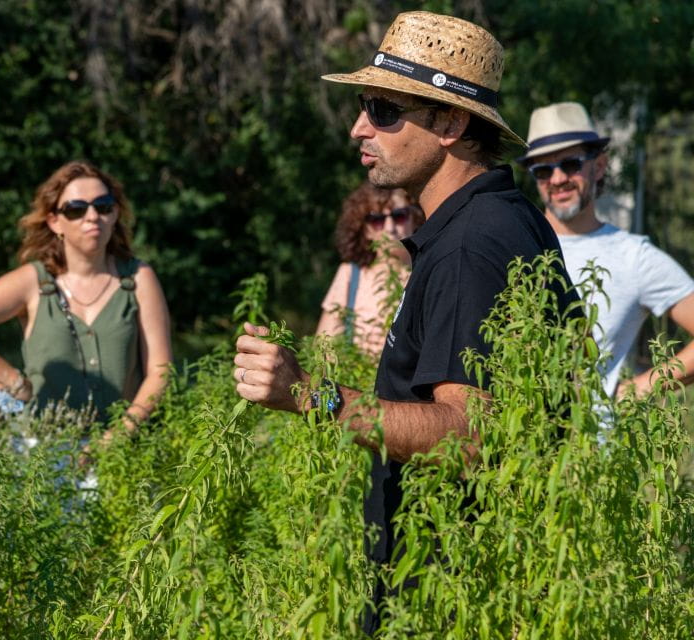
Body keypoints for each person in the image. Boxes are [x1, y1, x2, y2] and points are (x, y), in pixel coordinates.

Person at [232, 11, 580, 632]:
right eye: (365, 105)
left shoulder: (470, 245)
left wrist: (312, 397)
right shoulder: (501, 220)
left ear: (451, 122)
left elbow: (469, 435)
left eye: (384, 112)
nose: (357, 128)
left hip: (448, 590)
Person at [0, 161, 171, 432]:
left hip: (123, 457)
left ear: (115, 214)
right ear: (54, 221)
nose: (92, 216)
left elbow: (161, 371)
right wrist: (10, 380)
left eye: (103, 205)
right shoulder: (33, 281)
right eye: (76, 210)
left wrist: (120, 436)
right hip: (46, 452)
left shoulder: (138, 278)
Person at [519, 101, 694, 399]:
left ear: (598, 166)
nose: (558, 178)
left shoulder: (633, 255)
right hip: (516, 439)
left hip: (593, 443)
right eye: (544, 170)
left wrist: (636, 390)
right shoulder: (516, 243)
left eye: (571, 164)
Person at [316, 184, 423, 356]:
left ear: (415, 218)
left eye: (399, 216)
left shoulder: (427, 274)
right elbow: (323, 351)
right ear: (365, 229)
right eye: (377, 219)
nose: (390, 227)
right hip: (354, 379)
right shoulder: (350, 275)